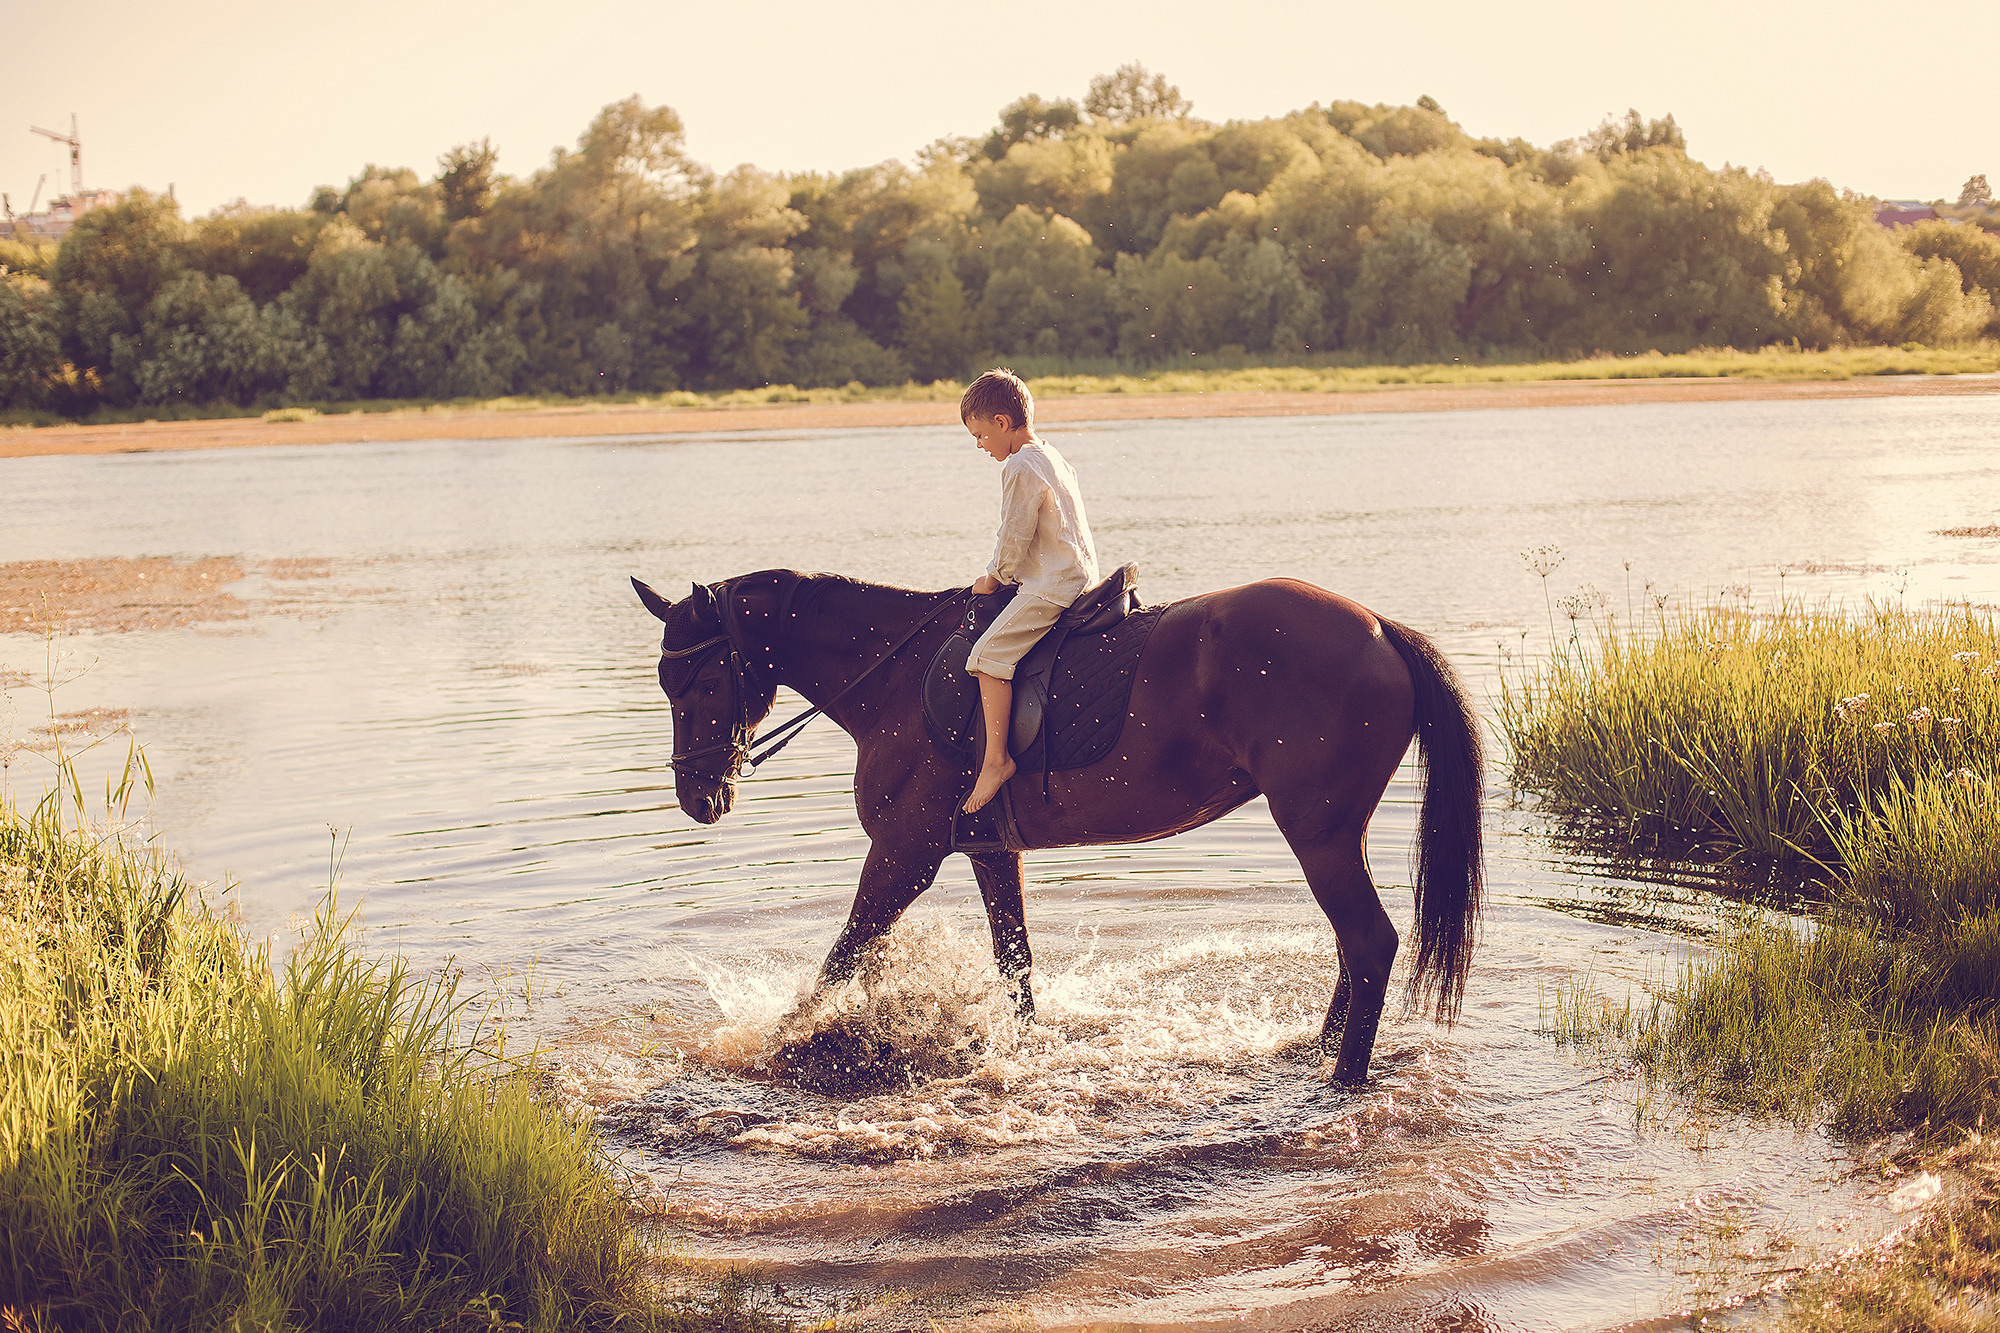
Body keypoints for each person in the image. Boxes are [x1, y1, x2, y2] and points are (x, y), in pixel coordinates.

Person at [959, 369, 1100, 814]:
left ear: (1002, 423)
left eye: (981, 435)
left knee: (987, 657)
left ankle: (996, 760)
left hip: (1052, 585)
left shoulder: (1019, 465)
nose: (980, 446)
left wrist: (993, 578)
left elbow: (1014, 534)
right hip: (1080, 573)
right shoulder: (1051, 456)